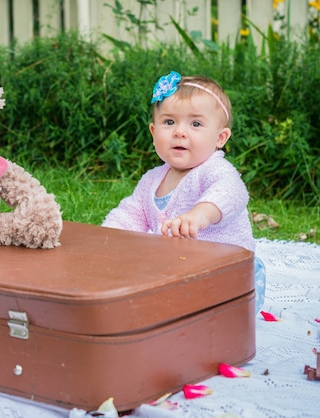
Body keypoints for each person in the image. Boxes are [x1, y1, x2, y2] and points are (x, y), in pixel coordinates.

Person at [102, 70, 265, 314]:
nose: (179, 131)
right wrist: (106, 238)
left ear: (220, 138)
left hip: (230, 273)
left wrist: (201, 215)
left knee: (209, 316)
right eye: (169, 122)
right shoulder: (152, 180)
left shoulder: (214, 169)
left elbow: (232, 192)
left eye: (196, 124)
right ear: (153, 132)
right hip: (180, 271)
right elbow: (130, 214)